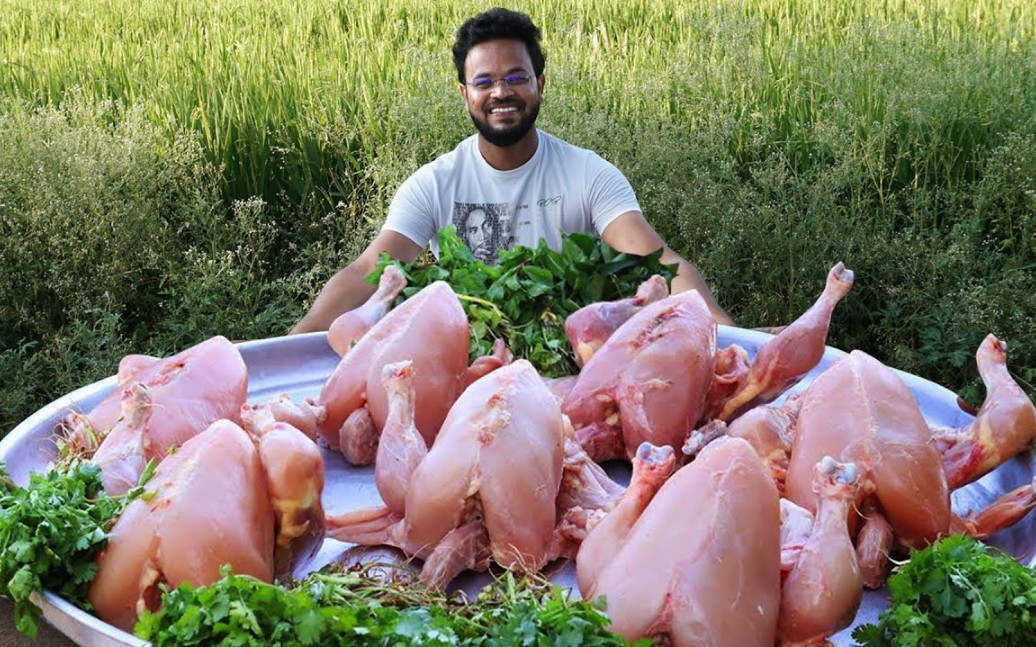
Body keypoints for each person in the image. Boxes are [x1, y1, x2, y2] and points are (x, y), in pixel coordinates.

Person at [291, 7, 734, 334]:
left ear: (540, 84)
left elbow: (659, 262)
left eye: (516, 77)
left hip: (575, 361)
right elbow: (368, 269)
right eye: (484, 82)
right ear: (464, 95)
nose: (501, 92)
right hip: (470, 370)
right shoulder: (434, 184)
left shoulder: (588, 174)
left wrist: (727, 334)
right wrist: (285, 350)